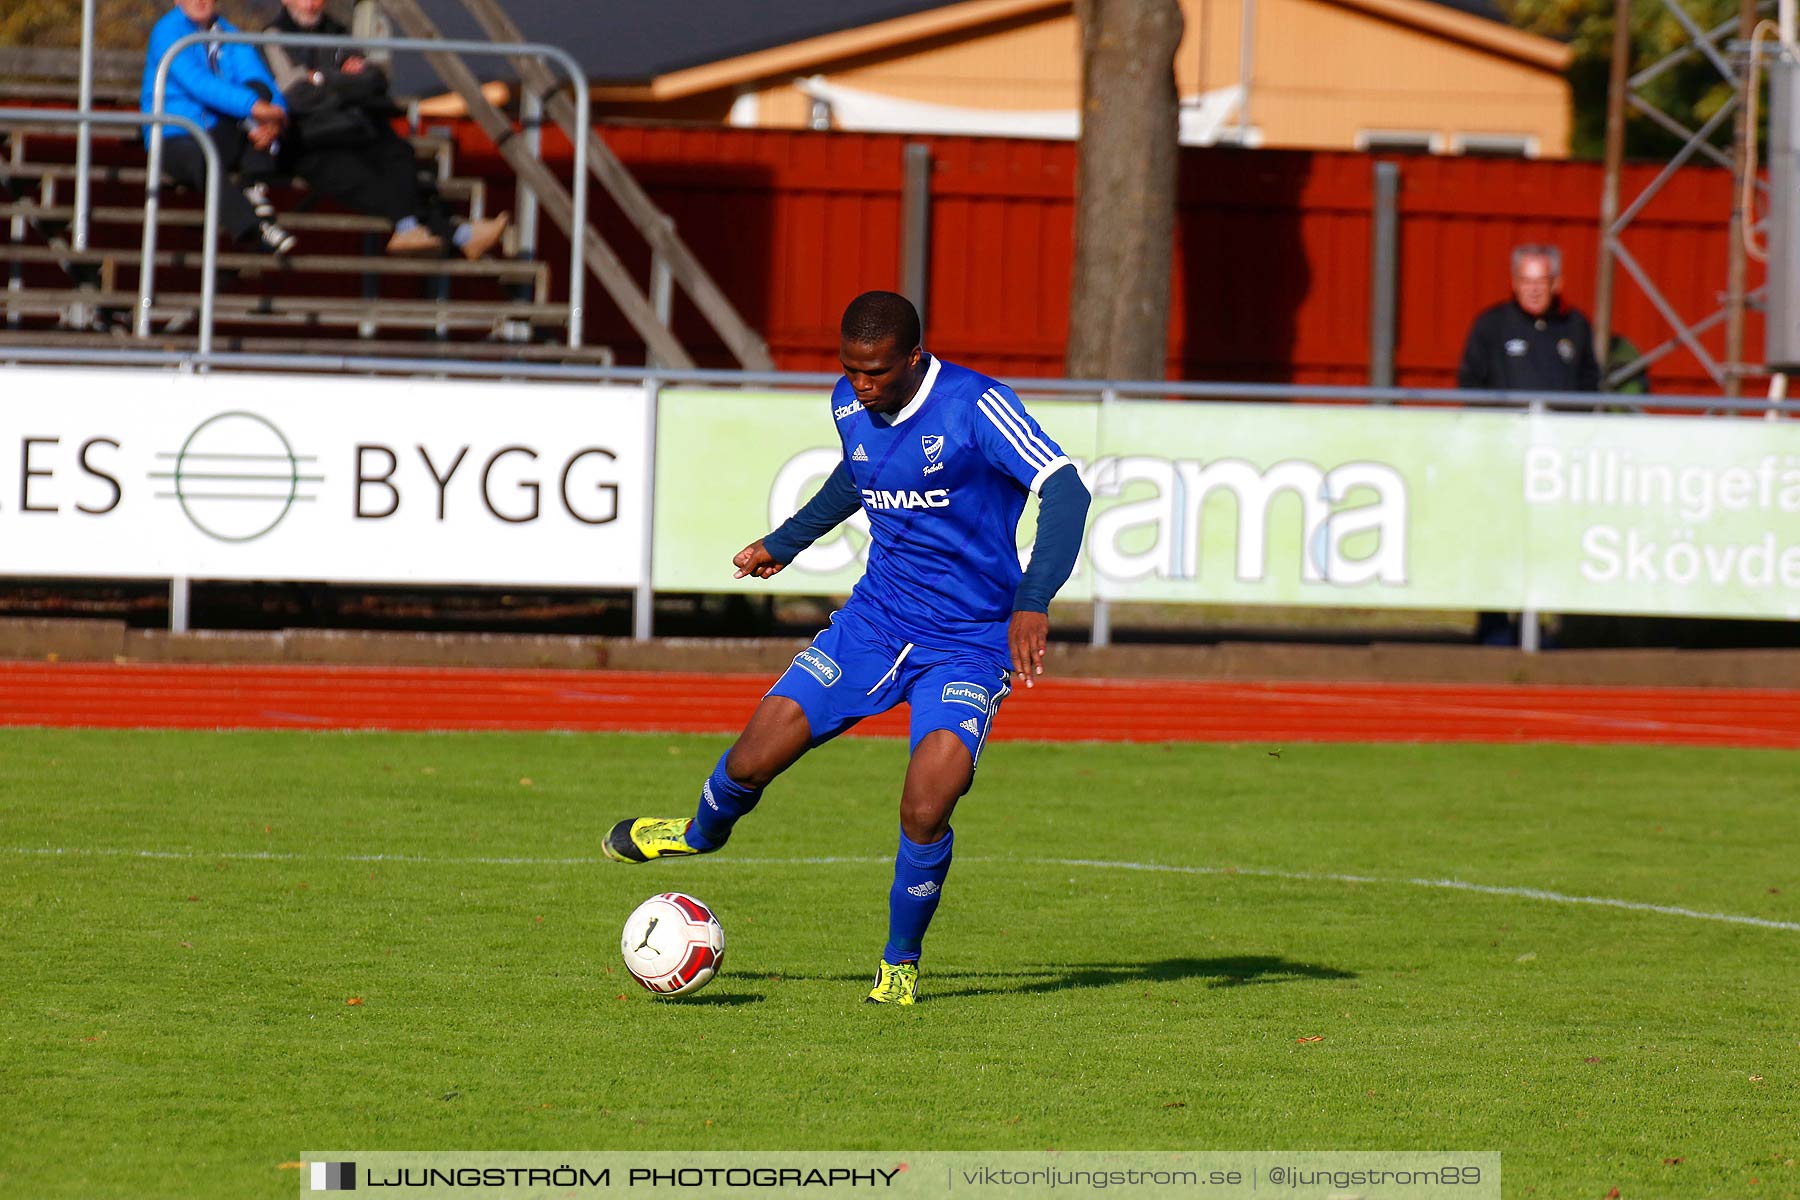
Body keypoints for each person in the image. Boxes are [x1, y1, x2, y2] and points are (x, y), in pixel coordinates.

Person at [601, 291, 1092, 1006]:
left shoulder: (976, 406)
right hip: (875, 626)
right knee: (751, 757)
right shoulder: (848, 403)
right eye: (851, 370)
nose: (862, 386)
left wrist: (1032, 601)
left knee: (928, 805)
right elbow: (854, 476)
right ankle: (700, 835)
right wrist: (785, 541)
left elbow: (1066, 489)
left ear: (914, 359)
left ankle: (899, 966)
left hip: (968, 644)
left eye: (877, 373)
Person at [262, 0, 508, 259]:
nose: (311, 4)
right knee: (357, 171)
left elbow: (374, 81)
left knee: (398, 153)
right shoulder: (273, 37)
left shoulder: (337, 32)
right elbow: (295, 95)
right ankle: (453, 233)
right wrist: (344, 83)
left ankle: (415, 229)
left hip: (352, 126)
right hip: (308, 138)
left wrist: (320, 78)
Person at [1456, 243, 1599, 646]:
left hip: (1555, 465)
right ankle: (1494, 623)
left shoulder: (1575, 328)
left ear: (1557, 283)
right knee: (1498, 539)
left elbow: (1590, 385)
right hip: (1502, 460)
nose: (1533, 290)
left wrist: (1572, 436)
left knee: (1548, 543)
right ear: (1513, 283)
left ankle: (1539, 627)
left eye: (1542, 281)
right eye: (1526, 281)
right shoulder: (1491, 326)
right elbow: (1470, 383)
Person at [141, 0, 297, 255]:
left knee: (260, 93)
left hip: (218, 129)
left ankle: (253, 184)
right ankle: (255, 226)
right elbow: (199, 84)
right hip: (175, 134)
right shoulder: (167, 32)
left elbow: (261, 80)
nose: (201, 1)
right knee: (203, 160)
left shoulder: (228, 33)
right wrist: (255, 108)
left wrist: (275, 119)